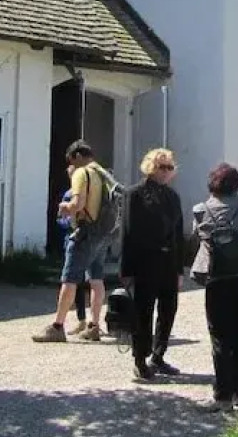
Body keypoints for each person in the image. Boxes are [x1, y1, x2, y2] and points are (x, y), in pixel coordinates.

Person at [191, 162, 238, 412]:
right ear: (237, 185)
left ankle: (222, 395)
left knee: (220, 337)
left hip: (218, 278)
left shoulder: (201, 210)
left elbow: (197, 240)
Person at [33, 140, 110, 342]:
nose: (70, 165)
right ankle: (94, 325)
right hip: (103, 232)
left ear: (76, 156)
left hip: (84, 233)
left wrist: (64, 206)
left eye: (71, 160)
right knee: (97, 279)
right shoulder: (102, 173)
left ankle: (57, 326)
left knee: (69, 279)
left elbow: (78, 204)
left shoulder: (81, 173)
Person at [121, 148, 185, 382]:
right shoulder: (134, 194)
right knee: (143, 312)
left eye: (169, 167)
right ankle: (140, 358)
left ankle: (158, 355)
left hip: (168, 261)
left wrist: (180, 269)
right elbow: (127, 233)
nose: (166, 171)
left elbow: (178, 234)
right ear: (150, 167)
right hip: (144, 262)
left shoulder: (173, 197)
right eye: (161, 166)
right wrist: (126, 269)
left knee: (169, 310)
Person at [56, 186, 86, 332]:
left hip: (80, 241)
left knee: (75, 281)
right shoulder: (69, 194)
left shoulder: (84, 193)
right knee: (78, 283)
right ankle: (82, 320)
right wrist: (71, 223)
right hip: (71, 240)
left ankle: (80, 320)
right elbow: (61, 219)